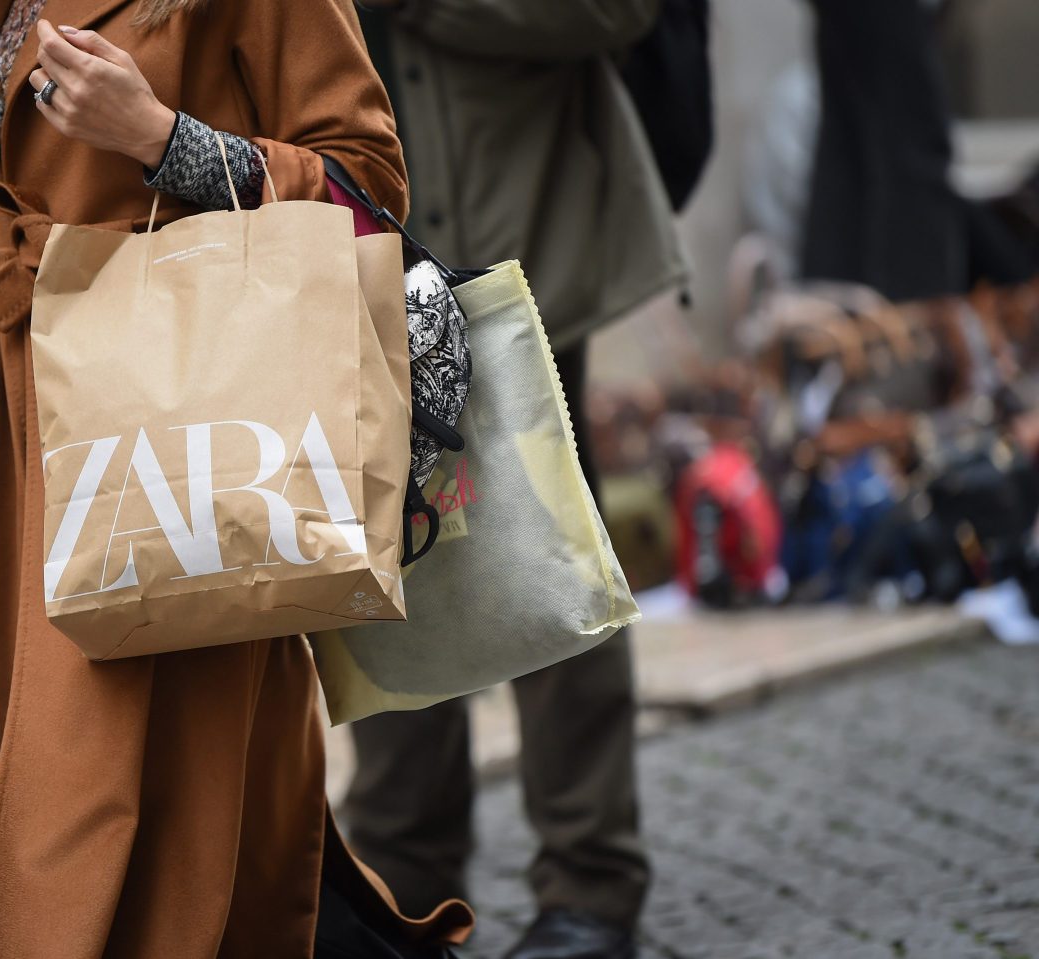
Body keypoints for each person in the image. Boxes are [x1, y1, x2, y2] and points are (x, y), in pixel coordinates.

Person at [0, 1, 473, 956]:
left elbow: (367, 181)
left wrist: (161, 139)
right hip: (41, 417)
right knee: (48, 785)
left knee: (171, 817)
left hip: (192, 418)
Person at [343, 3, 687, 958]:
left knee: (544, 553)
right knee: (384, 563)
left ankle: (591, 884)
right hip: (352, 250)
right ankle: (401, 881)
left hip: (520, 244)